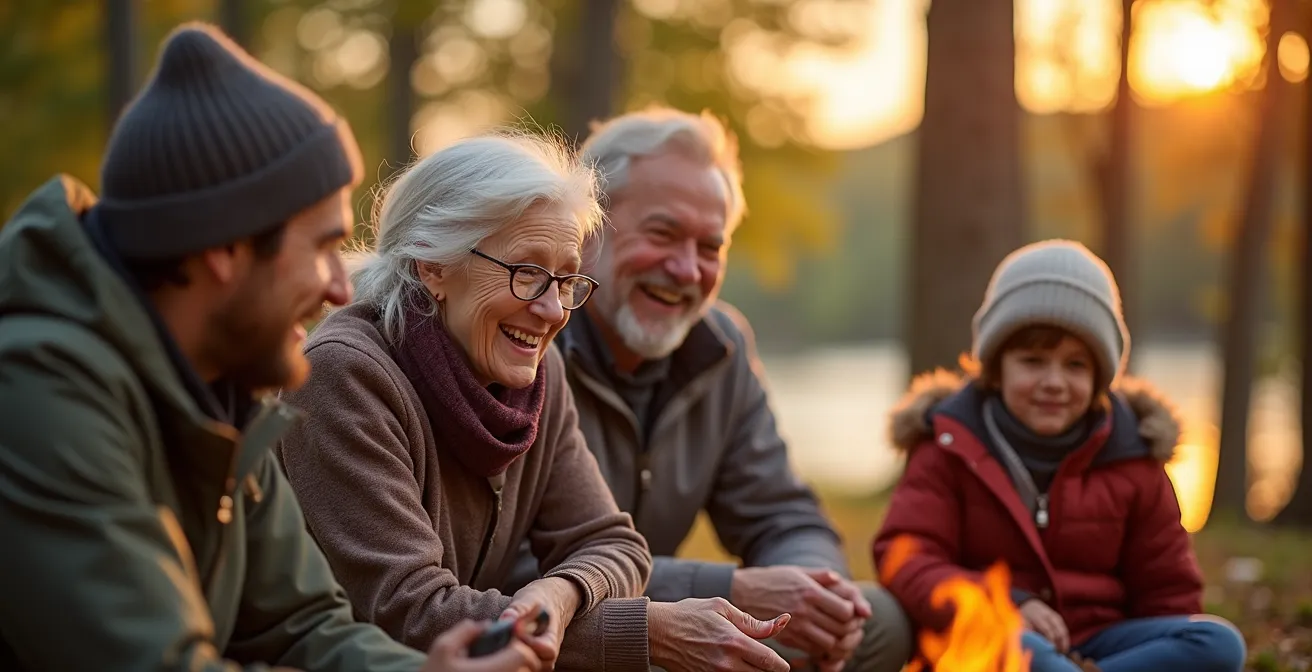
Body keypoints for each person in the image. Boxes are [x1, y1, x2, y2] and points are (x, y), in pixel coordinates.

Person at [0, 22, 543, 672]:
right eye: (321, 248)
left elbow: (302, 626)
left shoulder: (226, 390)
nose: (342, 288)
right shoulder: (37, 394)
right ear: (224, 247)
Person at [276, 130, 794, 672]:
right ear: (432, 264)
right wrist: (645, 632)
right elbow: (410, 612)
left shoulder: (538, 372)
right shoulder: (344, 373)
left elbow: (614, 543)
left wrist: (561, 593)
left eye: (567, 279)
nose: (553, 311)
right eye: (527, 274)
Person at [504, 106, 913, 672]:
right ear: (589, 229)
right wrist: (732, 589)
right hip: (575, 637)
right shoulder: (526, 341)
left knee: (879, 621)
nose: (686, 270)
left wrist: (818, 593)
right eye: (663, 233)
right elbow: (512, 565)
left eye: (710, 248)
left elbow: (783, 513)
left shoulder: (722, 347)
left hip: (685, 630)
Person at [873, 240, 1247, 672]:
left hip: (1102, 643)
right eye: (1033, 361)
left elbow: (1168, 588)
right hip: (992, 641)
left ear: (1101, 377)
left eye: (1075, 366)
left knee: (1218, 642)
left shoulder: (1134, 457)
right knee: (1032, 659)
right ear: (996, 368)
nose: (1054, 382)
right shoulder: (946, 445)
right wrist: (1006, 605)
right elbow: (908, 561)